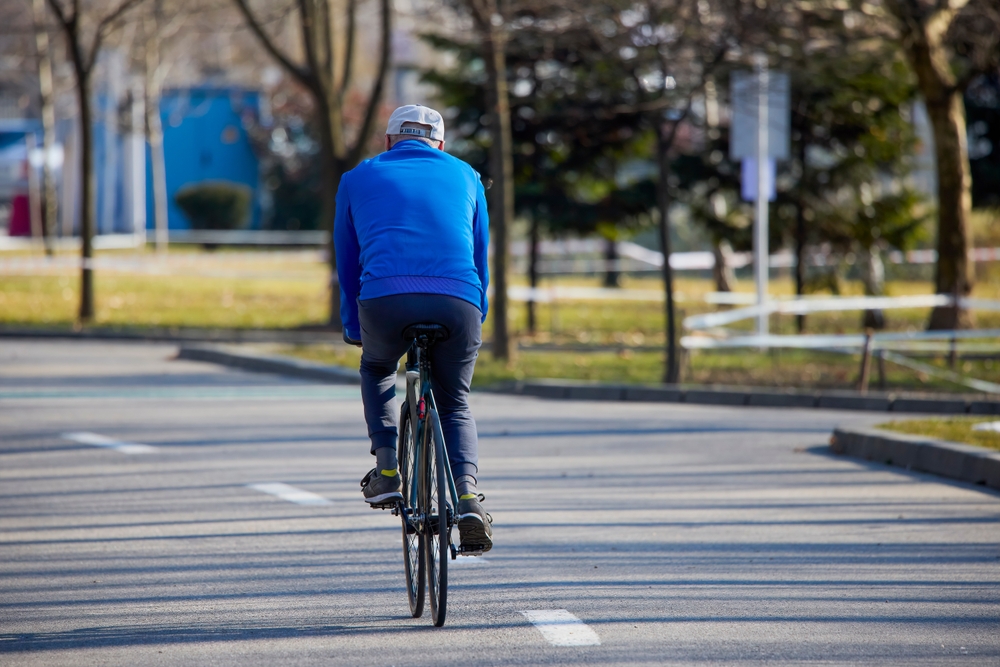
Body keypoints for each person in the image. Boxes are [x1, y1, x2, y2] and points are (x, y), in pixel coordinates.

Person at [334, 104, 492, 552]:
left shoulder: (356, 178)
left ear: (388, 142)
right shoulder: (467, 176)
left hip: (384, 298)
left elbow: (347, 262)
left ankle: (387, 471)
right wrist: (476, 313)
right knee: (454, 399)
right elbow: (480, 257)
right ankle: (466, 497)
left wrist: (353, 325)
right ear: (440, 145)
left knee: (378, 368)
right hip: (457, 299)